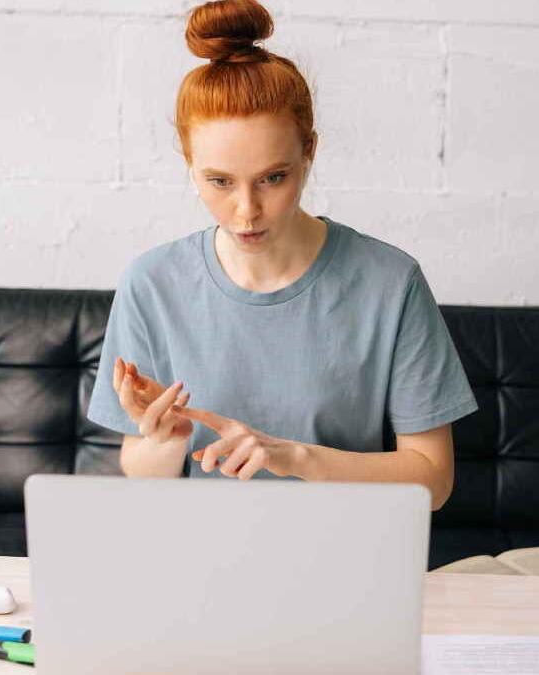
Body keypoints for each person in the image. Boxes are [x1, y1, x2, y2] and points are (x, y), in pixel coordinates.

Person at [86, 0, 477, 511]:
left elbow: (432, 481)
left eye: (274, 177)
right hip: (205, 553)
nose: (247, 211)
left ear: (309, 152)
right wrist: (168, 439)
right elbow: (141, 472)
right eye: (220, 181)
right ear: (189, 164)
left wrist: (294, 458)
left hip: (346, 554)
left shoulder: (390, 282)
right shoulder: (151, 282)